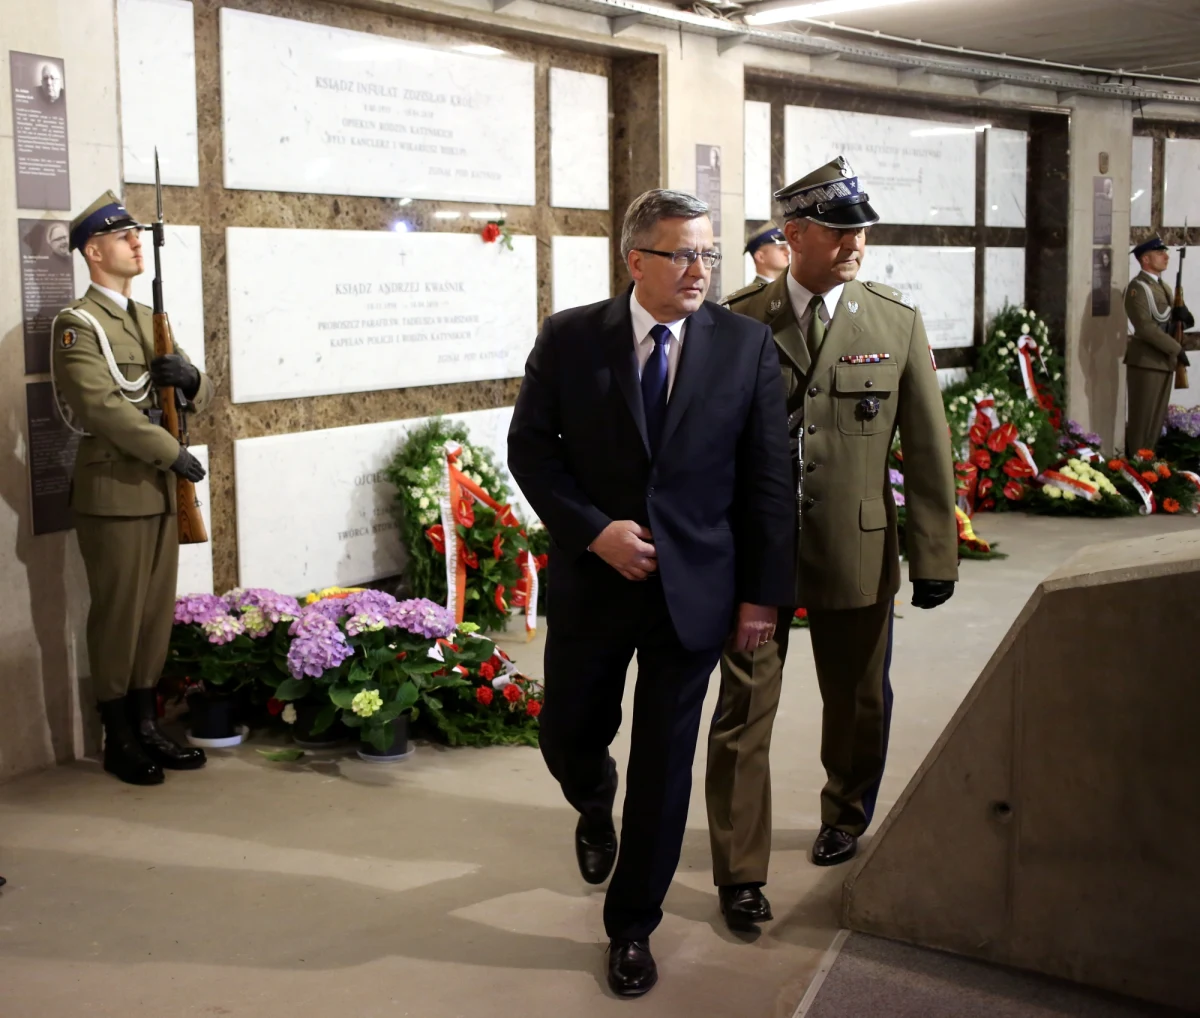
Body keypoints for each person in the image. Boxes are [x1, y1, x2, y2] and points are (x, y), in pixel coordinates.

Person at [508, 189, 794, 996]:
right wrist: (594, 530)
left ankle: (632, 926)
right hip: (597, 583)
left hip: (697, 593)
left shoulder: (745, 347)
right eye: (683, 254)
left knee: (666, 763)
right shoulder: (571, 339)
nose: (700, 269)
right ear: (636, 260)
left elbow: (770, 480)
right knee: (568, 732)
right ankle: (591, 801)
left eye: (709, 252)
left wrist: (762, 598)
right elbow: (532, 451)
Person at [705, 156, 959, 929]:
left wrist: (934, 552)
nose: (857, 243)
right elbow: (705, 444)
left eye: (862, 230)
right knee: (743, 711)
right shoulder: (740, 319)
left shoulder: (893, 322)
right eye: (841, 230)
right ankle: (739, 872)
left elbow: (926, 442)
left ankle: (844, 814)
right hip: (756, 558)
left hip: (856, 546)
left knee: (855, 699)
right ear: (797, 233)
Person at [52, 191, 212, 786]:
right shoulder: (78, 325)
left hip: (162, 492)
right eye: (123, 237)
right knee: (118, 615)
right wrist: (173, 454)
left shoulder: (149, 319)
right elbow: (102, 408)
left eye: (136, 235)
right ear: (94, 251)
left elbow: (200, 389)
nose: (136, 242)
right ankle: (117, 735)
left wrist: (190, 379)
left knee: (153, 617)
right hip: (116, 491)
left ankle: (147, 725)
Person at [1124, 235, 1193, 455]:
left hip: (1164, 361)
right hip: (1146, 361)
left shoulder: (1163, 287)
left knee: (1155, 423)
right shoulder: (1138, 289)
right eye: (1160, 252)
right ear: (1145, 259)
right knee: (1142, 421)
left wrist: (1185, 317)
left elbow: (1172, 321)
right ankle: (1136, 467)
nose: (1166, 256)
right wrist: (1176, 349)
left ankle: (1148, 467)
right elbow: (1145, 328)